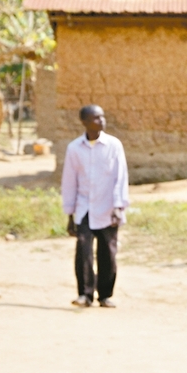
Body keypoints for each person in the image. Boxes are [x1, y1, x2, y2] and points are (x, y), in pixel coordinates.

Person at [61, 105, 129, 308]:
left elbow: (120, 177)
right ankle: (85, 294)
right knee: (84, 252)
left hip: (108, 208)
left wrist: (119, 206)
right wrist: (70, 214)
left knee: (108, 253)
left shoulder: (113, 145)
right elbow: (69, 182)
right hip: (84, 209)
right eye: (96, 118)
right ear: (84, 122)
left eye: (102, 117)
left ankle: (105, 295)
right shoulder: (74, 149)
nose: (101, 121)